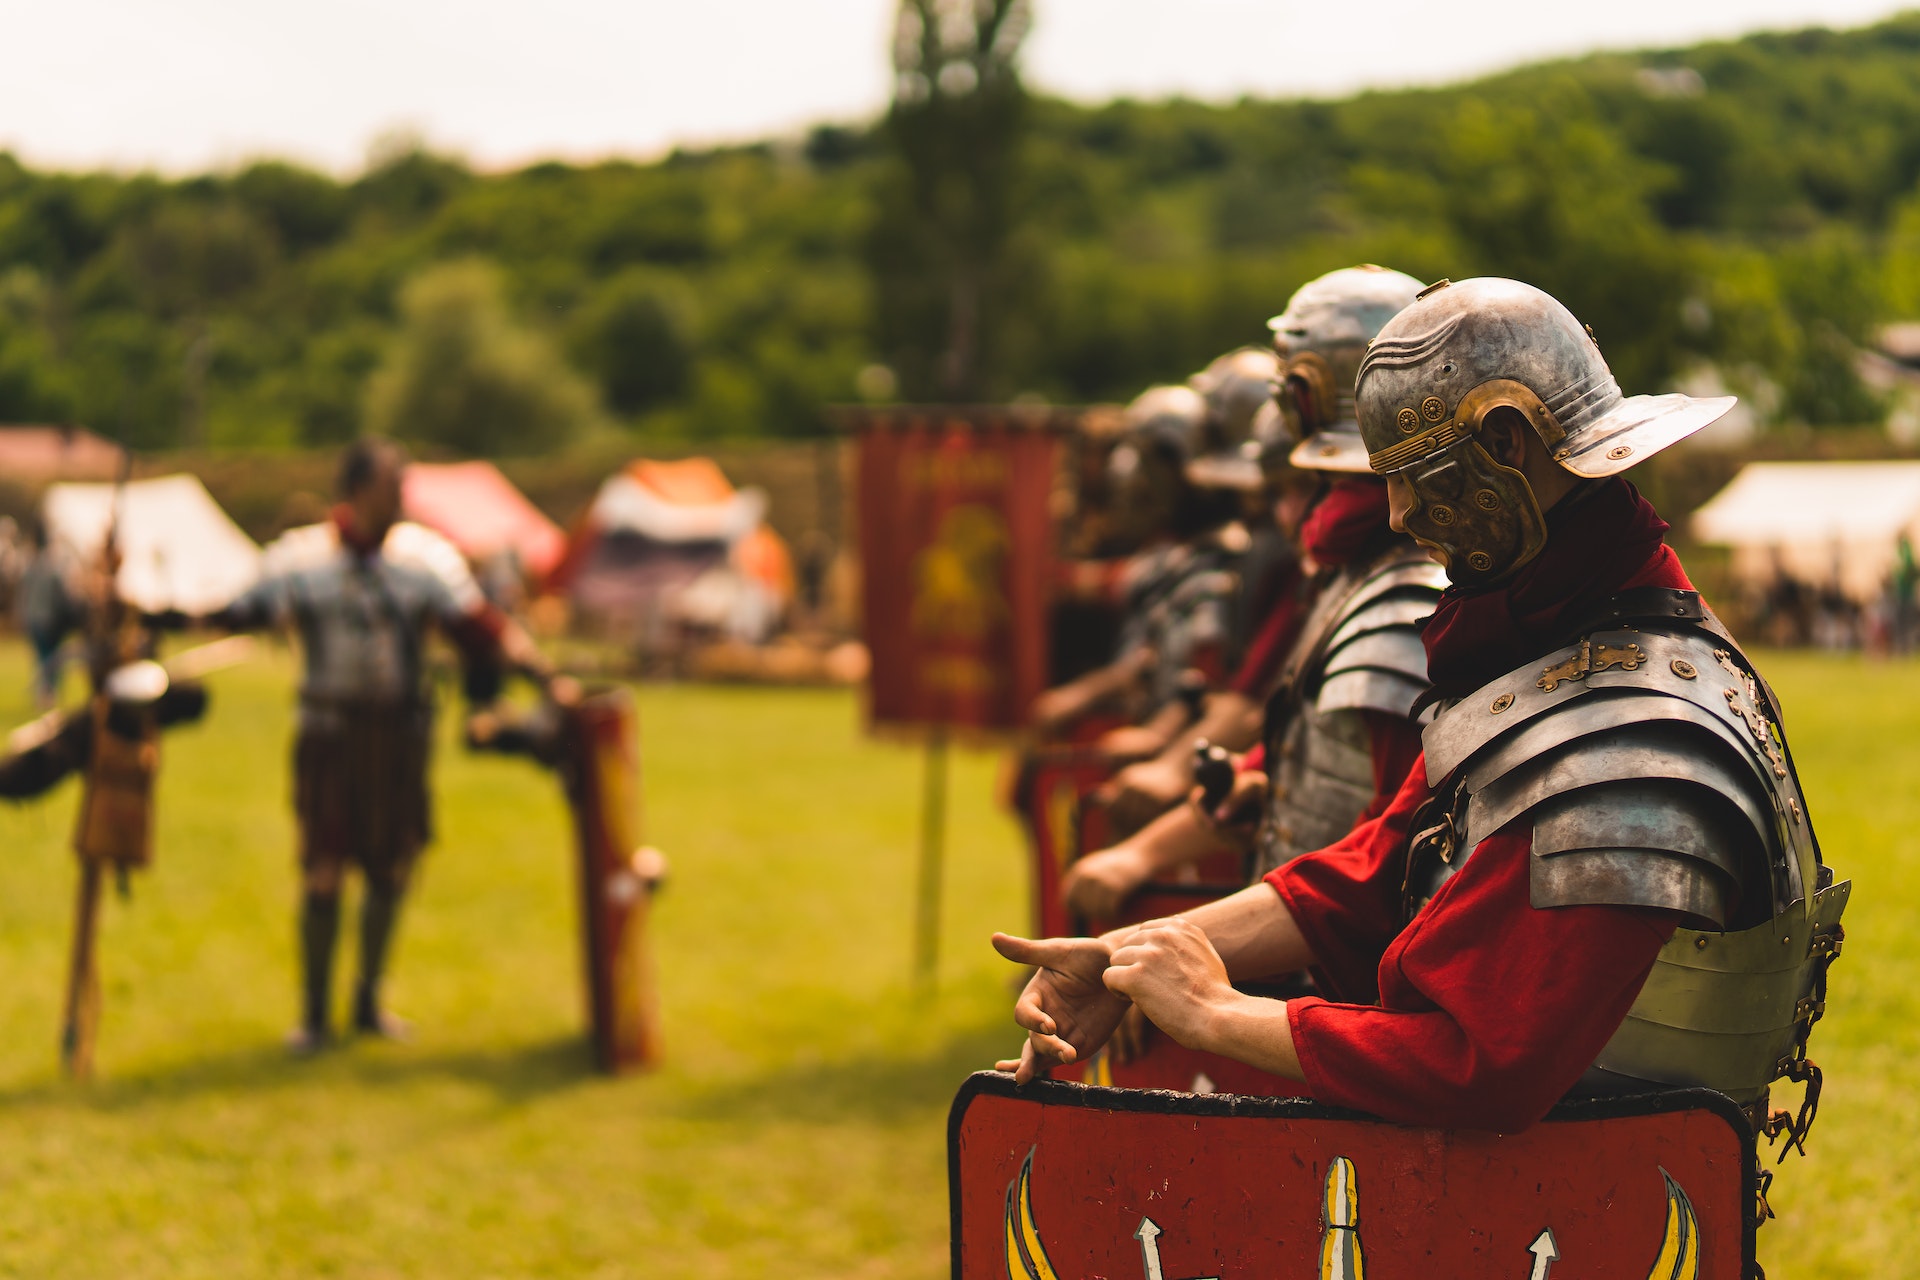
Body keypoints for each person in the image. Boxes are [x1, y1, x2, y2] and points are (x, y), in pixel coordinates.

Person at [996, 278, 1847, 1139]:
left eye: (1414, 476)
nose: (1400, 516)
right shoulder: (1546, 657)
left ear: (1505, 442)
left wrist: (1215, 1013)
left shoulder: (1628, 739)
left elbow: (1483, 1064)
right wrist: (1131, 954)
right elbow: (1371, 869)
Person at [1075, 265, 1443, 914]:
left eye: (1300, 488)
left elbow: (1387, 846)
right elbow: (1290, 759)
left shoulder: (1406, 590)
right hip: (1307, 926)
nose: (1278, 517)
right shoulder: (1346, 576)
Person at [213, 438, 565, 1053]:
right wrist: (146, 610)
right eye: (390, 484)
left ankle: (368, 1002)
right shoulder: (302, 559)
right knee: (323, 873)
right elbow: (235, 613)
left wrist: (542, 674)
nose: (402, 494)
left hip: (398, 736)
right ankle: (315, 1017)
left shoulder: (424, 560)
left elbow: (480, 630)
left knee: (392, 869)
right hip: (330, 734)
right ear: (356, 489)